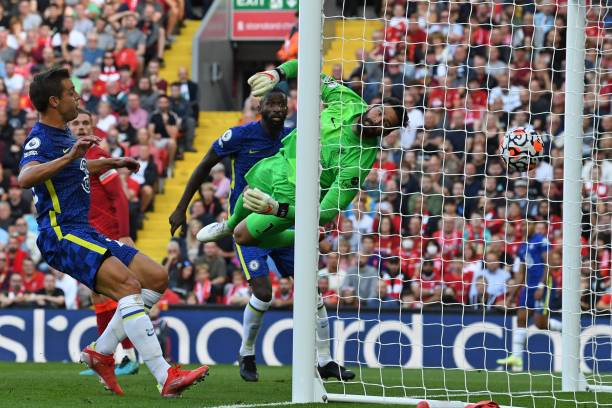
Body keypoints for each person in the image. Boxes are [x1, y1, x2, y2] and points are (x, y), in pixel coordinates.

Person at [18, 67, 208, 397]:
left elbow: (74, 165)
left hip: (84, 230)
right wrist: (70, 156)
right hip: (61, 234)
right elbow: (26, 177)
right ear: (53, 101)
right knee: (129, 286)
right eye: (70, 92)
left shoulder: (64, 134)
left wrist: (111, 163)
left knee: (157, 278)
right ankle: (165, 376)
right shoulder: (41, 139)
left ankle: (102, 352)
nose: (77, 96)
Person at [169, 88, 353, 382]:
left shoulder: (296, 138)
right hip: (248, 226)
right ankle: (247, 353)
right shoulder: (239, 136)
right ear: (260, 106)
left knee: (311, 290)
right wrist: (182, 208)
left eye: (282, 103)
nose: (278, 108)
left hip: (282, 222)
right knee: (264, 293)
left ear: (289, 107)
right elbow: (204, 165)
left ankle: (325, 360)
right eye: (272, 103)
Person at [197, 59, 405, 254]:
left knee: (242, 237)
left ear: (385, 133)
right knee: (248, 192)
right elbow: (306, 68)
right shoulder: (347, 100)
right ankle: (228, 225)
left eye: (385, 124)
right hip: (282, 161)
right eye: (380, 112)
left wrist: (275, 209)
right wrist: (277, 74)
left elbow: (323, 214)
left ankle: (302, 237)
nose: (377, 121)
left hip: (297, 194)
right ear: (373, 105)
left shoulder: (358, 164)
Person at [69, 109, 139, 377]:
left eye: (86, 122)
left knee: (114, 293)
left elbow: (119, 197)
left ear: (93, 125)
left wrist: (123, 233)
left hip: (106, 234)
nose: (81, 127)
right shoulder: (73, 157)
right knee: (97, 294)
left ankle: (127, 356)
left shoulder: (98, 157)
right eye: (76, 123)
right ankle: (108, 358)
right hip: (87, 234)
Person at [497, 221, 560, 371]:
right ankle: (517, 358)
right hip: (528, 287)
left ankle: (567, 329)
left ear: (534, 226)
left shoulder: (542, 241)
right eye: (523, 225)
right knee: (521, 318)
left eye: (528, 224)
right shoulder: (522, 247)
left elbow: (549, 264)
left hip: (543, 284)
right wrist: (512, 295)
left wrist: (541, 285)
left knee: (539, 323)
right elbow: (521, 274)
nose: (525, 227)